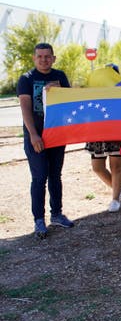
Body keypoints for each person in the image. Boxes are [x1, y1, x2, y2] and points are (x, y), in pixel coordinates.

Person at [17, 43, 75, 238]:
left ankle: (57, 214)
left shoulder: (60, 76)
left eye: (47, 56)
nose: (44, 60)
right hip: (36, 136)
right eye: (40, 56)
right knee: (39, 177)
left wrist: (60, 91)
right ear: (34, 58)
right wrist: (33, 134)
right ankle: (39, 220)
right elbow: (25, 108)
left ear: (53, 58)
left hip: (57, 135)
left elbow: (70, 103)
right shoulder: (26, 79)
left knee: (55, 176)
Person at [85, 63, 121, 212]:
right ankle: (119, 189)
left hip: (116, 132)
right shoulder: (93, 92)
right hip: (96, 133)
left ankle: (115, 199)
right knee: (97, 168)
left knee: (116, 166)